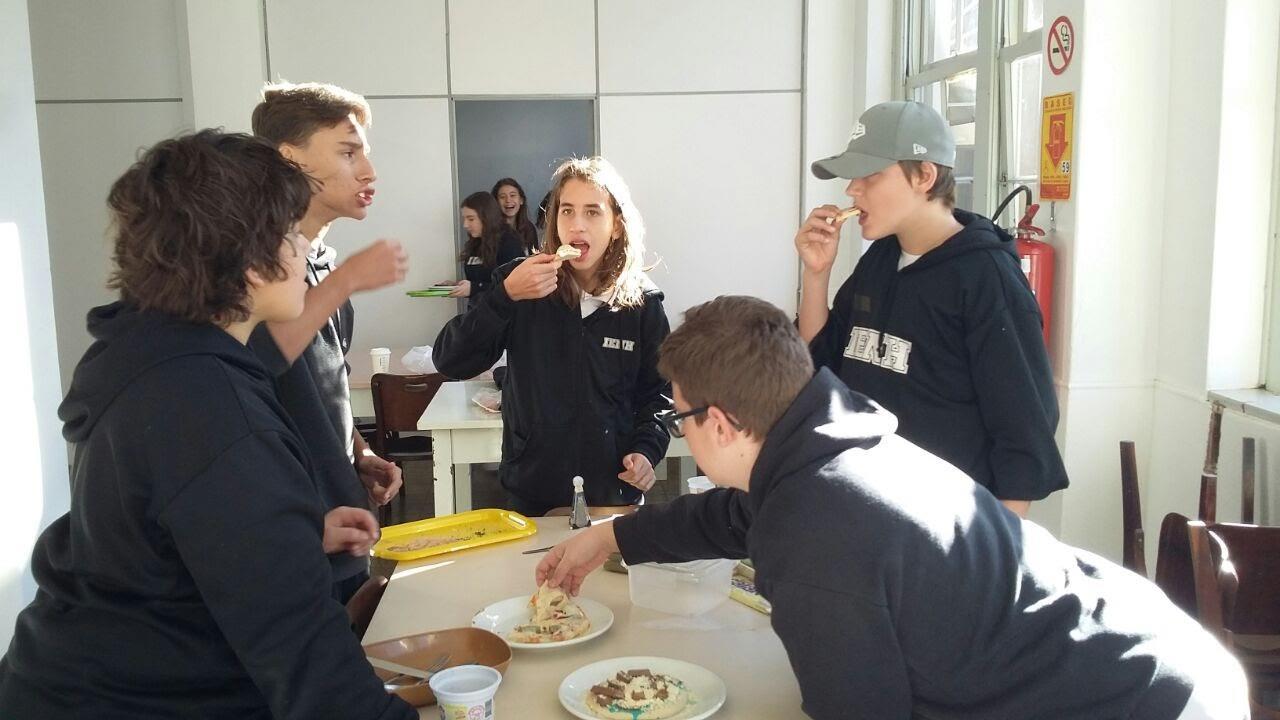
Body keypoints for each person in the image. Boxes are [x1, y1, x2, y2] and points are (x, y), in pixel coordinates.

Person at [538, 295, 1248, 720]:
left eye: (681, 414)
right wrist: (614, 538)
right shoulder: (829, 439)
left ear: (719, 424)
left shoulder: (820, 537)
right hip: (1151, 644)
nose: (679, 426)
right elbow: (739, 515)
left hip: (1146, 701)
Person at [0, 131, 415, 720]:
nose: (302, 255)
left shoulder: (148, 351)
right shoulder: (211, 410)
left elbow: (156, 527)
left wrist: (289, 531)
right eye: (292, 237)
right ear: (249, 267)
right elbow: (309, 664)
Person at [795, 100, 1067, 517]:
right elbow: (819, 362)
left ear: (924, 175)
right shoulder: (881, 259)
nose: (852, 189)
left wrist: (1000, 555)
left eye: (870, 175)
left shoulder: (986, 277)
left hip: (948, 525)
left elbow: (1024, 433)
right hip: (868, 508)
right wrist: (816, 275)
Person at [434, 158, 671, 517]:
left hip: (613, 492)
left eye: (592, 212)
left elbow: (659, 395)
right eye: (567, 211)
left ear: (617, 226)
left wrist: (647, 450)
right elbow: (451, 360)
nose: (577, 226)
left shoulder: (642, 303)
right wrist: (503, 298)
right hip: (533, 492)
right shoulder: (519, 282)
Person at [249, 82, 409, 602]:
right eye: (347, 151)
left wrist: (357, 451)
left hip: (341, 514)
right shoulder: (258, 266)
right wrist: (347, 282)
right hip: (288, 530)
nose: (369, 171)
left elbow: (320, 384)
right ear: (288, 160)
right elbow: (257, 365)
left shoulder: (321, 261)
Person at [437, 191, 525, 309]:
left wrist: (474, 288)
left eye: (471, 219)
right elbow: (480, 280)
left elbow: (514, 287)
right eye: (465, 219)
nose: (465, 225)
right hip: (477, 314)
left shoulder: (509, 242)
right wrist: (457, 286)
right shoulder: (476, 242)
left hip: (503, 319)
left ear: (486, 218)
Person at [492, 176, 539, 253]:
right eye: (502, 197)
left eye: (512, 195)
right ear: (496, 202)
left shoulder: (529, 228)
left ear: (521, 200)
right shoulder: (491, 231)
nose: (508, 200)